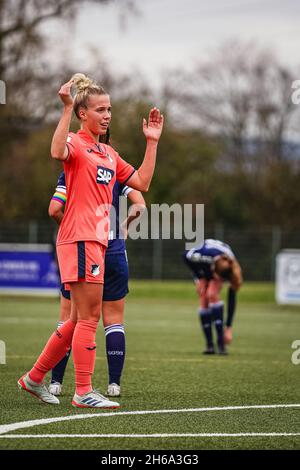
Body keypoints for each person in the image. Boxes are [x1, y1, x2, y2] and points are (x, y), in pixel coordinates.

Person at [18, 73, 163, 408]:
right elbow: (56, 151)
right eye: (100, 109)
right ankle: (83, 391)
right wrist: (66, 106)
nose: (107, 114)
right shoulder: (75, 142)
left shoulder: (108, 153)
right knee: (88, 318)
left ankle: (35, 378)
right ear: (84, 114)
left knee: (75, 320)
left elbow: (141, 182)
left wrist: (152, 141)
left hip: (93, 242)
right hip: (80, 240)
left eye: (109, 109)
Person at [48, 171, 146, 398]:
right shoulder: (116, 169)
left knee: (69, 318)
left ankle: (56, 382)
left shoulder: (71, 171)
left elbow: (54, 209)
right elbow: (139, 205)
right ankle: (114, 384)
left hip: (81, 248)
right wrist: (123, 228)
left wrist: (69, 230)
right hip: (112, 249)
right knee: (113, 319)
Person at [183, 239, 243, 355]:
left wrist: (229, 327)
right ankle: (210, 345)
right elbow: (185, 256)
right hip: (202, 267)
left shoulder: (234, 269)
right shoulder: (201, 255)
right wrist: (199, 277)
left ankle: (221, 345)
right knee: (204, 298)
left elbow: (232, 296)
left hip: (214, 264)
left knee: (212, 293)